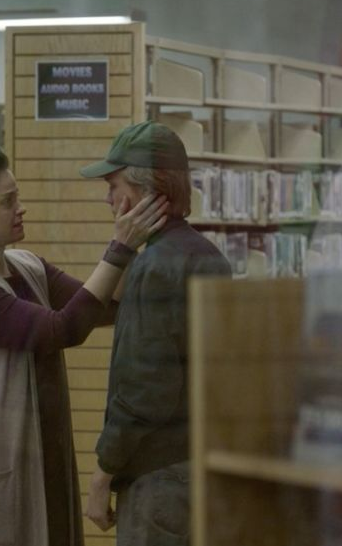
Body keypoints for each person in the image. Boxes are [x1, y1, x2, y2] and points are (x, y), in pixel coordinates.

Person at [0, 145, 168, 546]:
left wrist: (131, 234)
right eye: (7, 201)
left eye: (18, 196)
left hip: (41, 458)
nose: (20, 208)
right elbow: (64, 329)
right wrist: (120, 247)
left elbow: (107, 307)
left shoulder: (28, 266)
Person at [80, 121, 232, 545]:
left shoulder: (155, 267)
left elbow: (145, 388)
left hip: (156, 479)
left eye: (114, 186)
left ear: (145, 190)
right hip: (198, 464)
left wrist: (102, 473)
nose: (108, 199)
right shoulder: (210, 257)